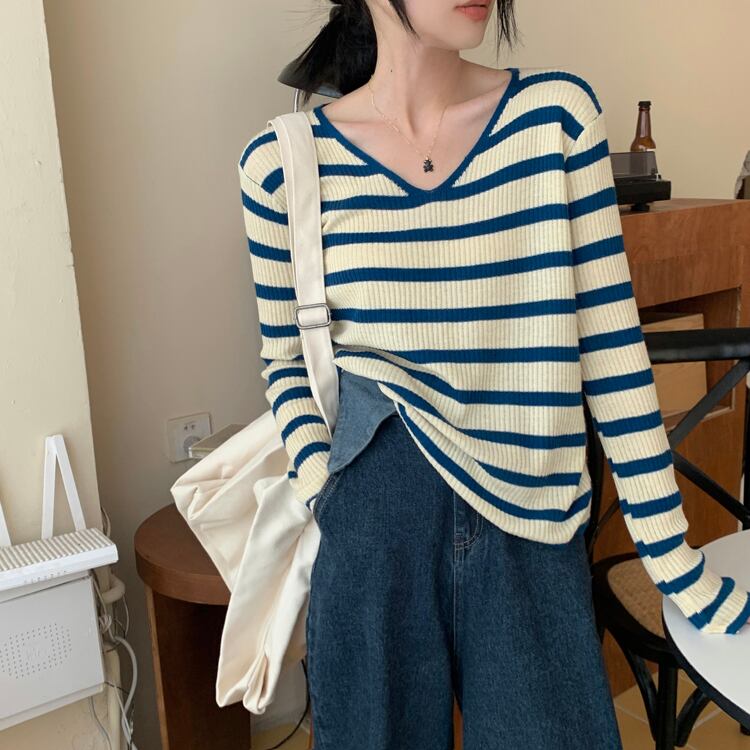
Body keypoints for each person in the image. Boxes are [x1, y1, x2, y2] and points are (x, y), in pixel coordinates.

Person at [237, 1, 750, 747]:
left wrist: (673, 561)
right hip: (375, 526)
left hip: (534, 524)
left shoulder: (556, 119)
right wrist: (329, 493)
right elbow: (284, 358)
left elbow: (613, 351)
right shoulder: (281, 163)